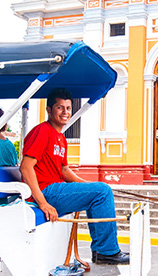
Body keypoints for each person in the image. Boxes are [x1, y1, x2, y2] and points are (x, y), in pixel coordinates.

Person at [20, 87, 128, 265]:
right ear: (49, 110)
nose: (65, 112)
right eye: (60, 107)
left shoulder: (60, 137)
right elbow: (25, 168)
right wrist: (42, 202)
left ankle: (102, 251)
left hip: (57, 188)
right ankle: (106, 251)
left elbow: (64, 170)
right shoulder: (42, 131)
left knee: (100, 191)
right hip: (47, 191)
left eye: (68, 108)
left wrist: (88, 185)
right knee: (101, 191)